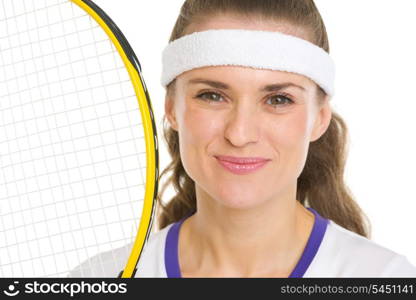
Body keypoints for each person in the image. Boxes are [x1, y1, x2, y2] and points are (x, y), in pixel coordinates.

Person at [69, 0, 416, 277]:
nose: (240, 133)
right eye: (212, 96)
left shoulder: (385, 278)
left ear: (319, 118)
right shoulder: (101, 280)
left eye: (278, 100)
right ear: (172, 108)